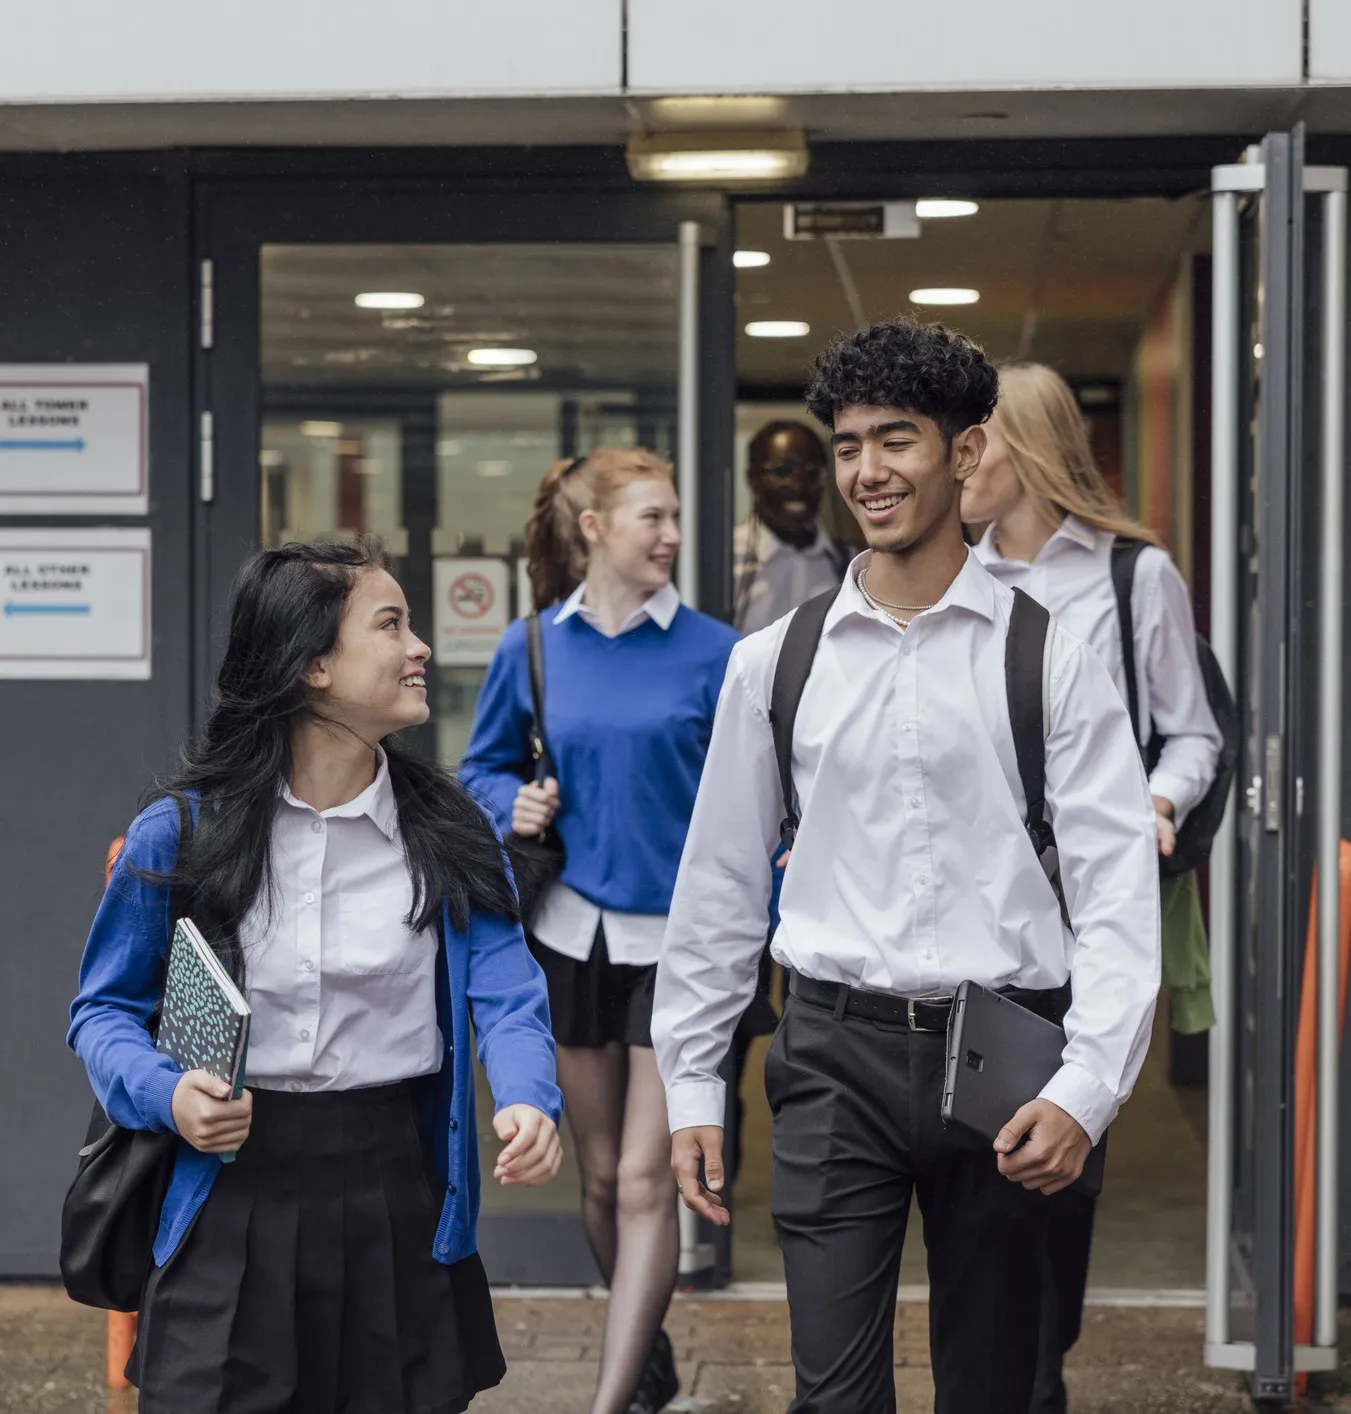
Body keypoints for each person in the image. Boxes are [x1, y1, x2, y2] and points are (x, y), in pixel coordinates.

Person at [652, 318, 1162, 1414]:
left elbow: (1119, 899)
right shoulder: (774, 663)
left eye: (897, 439)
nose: (867, 471)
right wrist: (693, 1079)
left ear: (967, 452)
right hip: (834, 1055)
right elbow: (718, 892)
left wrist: (1086, 1087)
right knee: (832, 1395)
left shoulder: (1051, 656)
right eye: (848, 445)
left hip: (1008, 1054)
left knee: (995, 1389)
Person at [69, 539, 563, 1413]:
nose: (421, 648)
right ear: (312, 667)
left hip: (392, 1188)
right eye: (391, 625)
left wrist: (527, 1095)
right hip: (229, 1183)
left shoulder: (448, 828)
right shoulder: (181, 833)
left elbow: (506, 985)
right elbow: (104, 1012)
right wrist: (167, 1093)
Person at [962, 361, 1222, 1414]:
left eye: (970, 437)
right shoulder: (953, 579)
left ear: (1018, 446)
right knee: (983, 1164)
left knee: (1065, 1166)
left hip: (1090, 914)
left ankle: (1042, 1364)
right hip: (978, 918)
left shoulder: (1131, 576)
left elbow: (1193, 728)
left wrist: (1155, 801)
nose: (955, 459)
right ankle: (1013, 1375)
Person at [460, 448, 738, 1414]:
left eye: (673, 519)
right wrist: (512, 803)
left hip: (686, 950)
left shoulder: (718, 653)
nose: (670, 536)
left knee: (642, 1179)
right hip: (571, 937)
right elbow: (478, 769)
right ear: (593, 532)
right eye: (650, 518)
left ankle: (609, 1402)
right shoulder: (530, 646)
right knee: (598, 1174)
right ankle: (646, 1352)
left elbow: (763, 802)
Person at [733, 420, 852, 635]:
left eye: (812, 473)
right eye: (782, 471)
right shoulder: (730, 559)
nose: (798, 485)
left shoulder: (848, 562)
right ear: (752, 478)